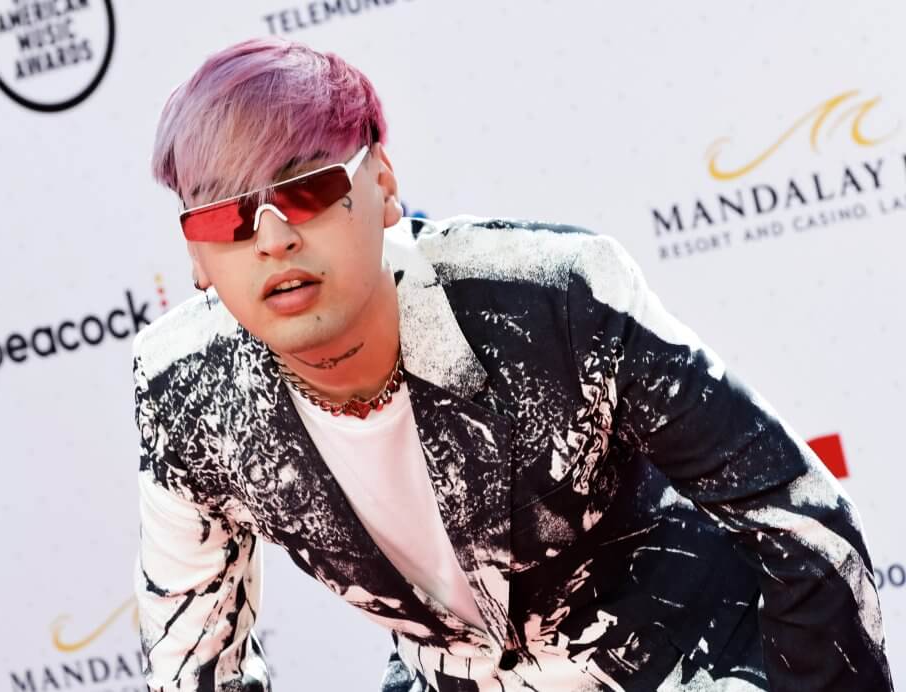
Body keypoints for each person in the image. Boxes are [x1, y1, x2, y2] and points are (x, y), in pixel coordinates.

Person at [131, 36, 893, 691]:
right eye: (227, 217)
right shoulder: (184, 393)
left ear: (383, 186)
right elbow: (192, 664)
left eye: (308, 190)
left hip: (685, 661)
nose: (273, 240)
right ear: (195, 254)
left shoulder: (550, 298)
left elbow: (801, 523)